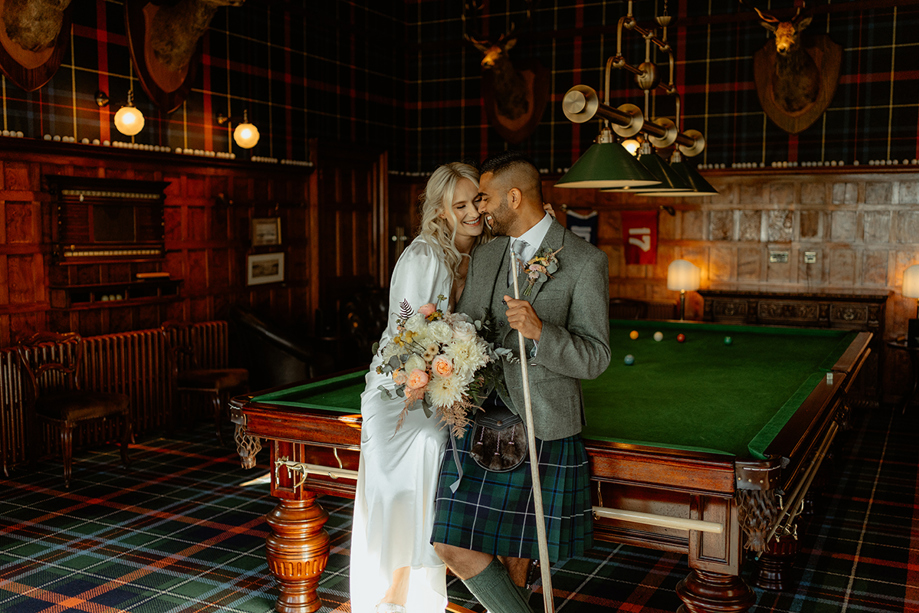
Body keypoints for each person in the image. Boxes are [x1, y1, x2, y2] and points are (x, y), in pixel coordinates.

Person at [430, 151, 611, 613]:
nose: (481, 209)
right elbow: (466, 328)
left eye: (486, 198)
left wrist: (541, 334)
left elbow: (596, 357)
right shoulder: (487, 253)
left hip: (542, 423)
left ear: (514, 197)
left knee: (518, 561)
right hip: (477, 423)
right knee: (449, 543)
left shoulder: (584, 261)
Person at [350, 162, 489, 613]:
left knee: (446, 443)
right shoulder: (424, 255)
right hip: (399, 389)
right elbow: (406, 327)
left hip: (445, 385)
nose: (471, 213)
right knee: (430, 446)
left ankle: (419, 587)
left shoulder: (483, 253)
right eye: (460, 205)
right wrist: (432, 364)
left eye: (476, 202)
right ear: (441, 211)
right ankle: (394, 593)